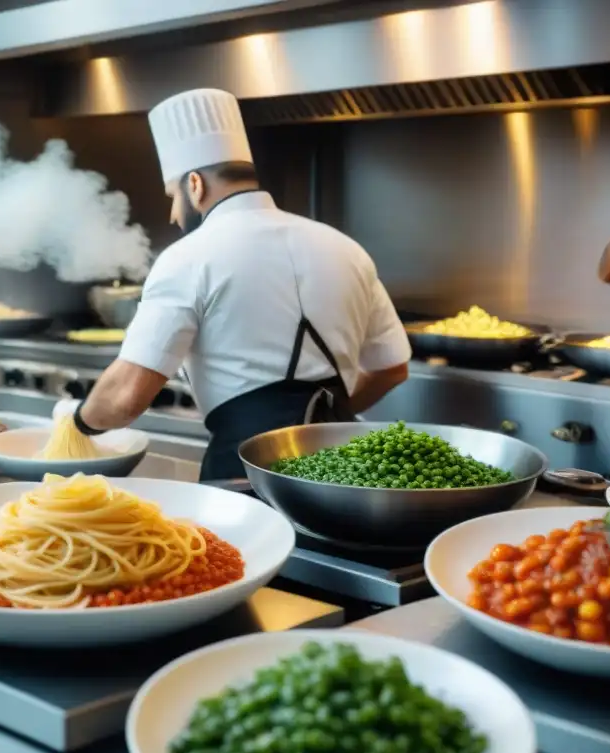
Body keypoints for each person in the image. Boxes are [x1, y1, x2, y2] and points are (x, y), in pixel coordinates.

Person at [63, 88, 411, 481]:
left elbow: (125, 398)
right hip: (346, 475)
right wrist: (321, 425)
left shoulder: (187, 257)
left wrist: (76, 424)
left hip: (244, 479)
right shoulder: (347, 249)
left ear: (194, 185)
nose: (174, 215)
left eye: (172, 197)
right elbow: (392, 368)